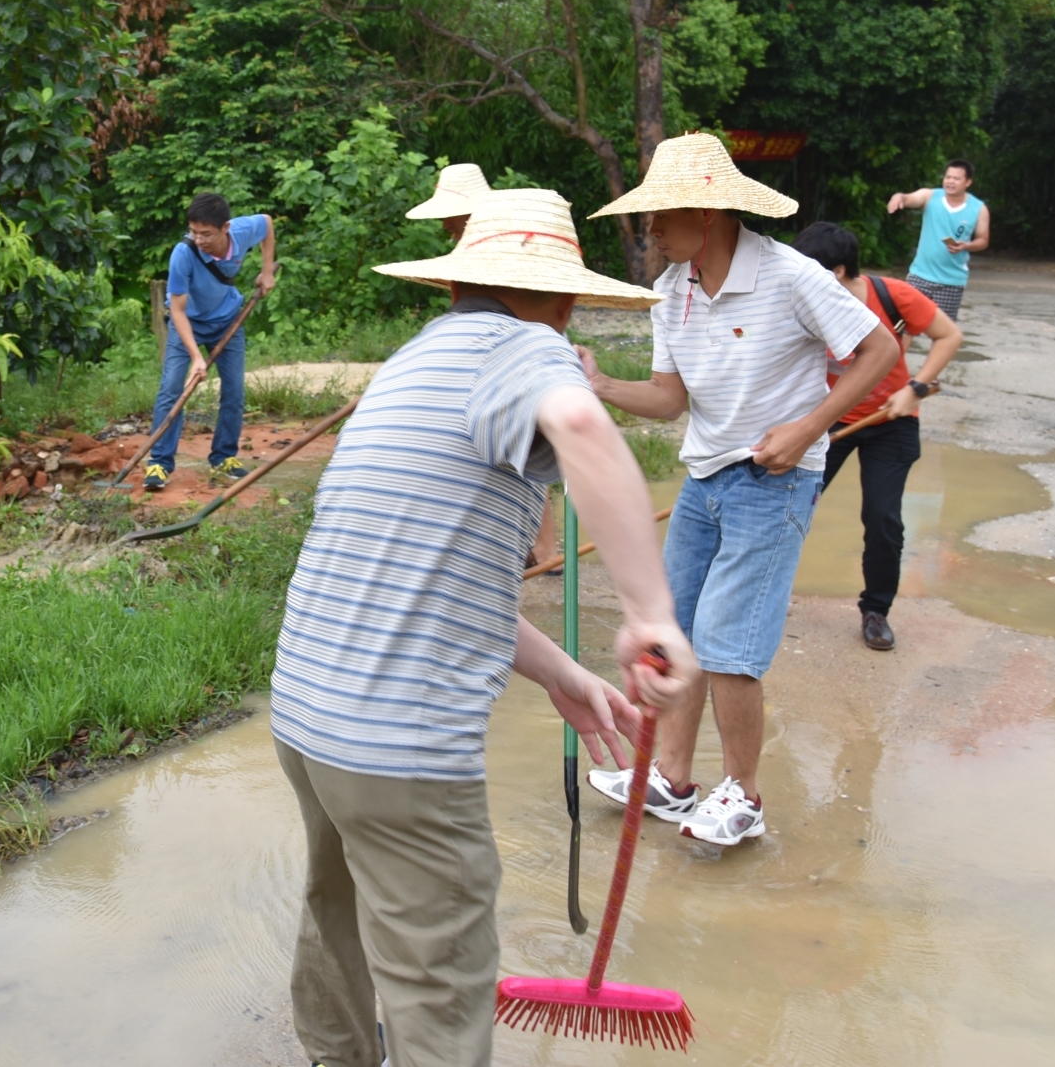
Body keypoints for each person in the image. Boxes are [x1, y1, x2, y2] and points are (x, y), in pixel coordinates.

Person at [270, 188, 699, 1067]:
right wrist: (652, 615)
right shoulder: (528, 350)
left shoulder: (414, 361)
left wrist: (560, 673)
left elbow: (437, 579)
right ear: (566, 299)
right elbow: (581, 420)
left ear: (457, 284)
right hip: (399, 747)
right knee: (440, 977)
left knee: (336, 904)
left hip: (309, 717)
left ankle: (339, 1055)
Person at [579, 133, 896, 847]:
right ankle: (671, 777)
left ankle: (743, 796)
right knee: (677, 631)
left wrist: (809, 426)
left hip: (774, 480)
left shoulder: (789, 275)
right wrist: (597, 386)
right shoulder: (672, 290)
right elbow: (668, 398)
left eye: (663, 216)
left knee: (729, 645)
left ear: (712, 213)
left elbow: (880, 349)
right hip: (706, 476)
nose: (652, 230)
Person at [791, 221, 963, 651]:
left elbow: (949, 335)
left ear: (836, 272)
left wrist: (916, 387)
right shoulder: (798, 302)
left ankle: (876, 611)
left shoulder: (892, 296)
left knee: (883, 519)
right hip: (826, 420)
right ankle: (755, 600)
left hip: (890, 421)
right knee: (784, 508)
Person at [406, 163, 561, 569]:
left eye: (449, 217)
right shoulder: (469, 242)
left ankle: (544, 548)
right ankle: (524, 542)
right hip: (496, 345)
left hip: (521, 343)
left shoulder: (503, 238)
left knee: (523, 445)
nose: (444, 226)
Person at [142, 192, 277, 492]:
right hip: (187, 324)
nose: (199, 239)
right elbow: (176, 311)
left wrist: (266, 271)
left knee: (234, 392)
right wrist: (196, 357)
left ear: (225, 228)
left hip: (228, 321)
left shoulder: (240, 232)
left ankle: (223, 457)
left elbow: (267, 223)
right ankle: (160, 463)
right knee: (172, 390)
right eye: (194, 232)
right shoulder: (183, 254)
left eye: (207, 234)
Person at [887, 159, 988, 319]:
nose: (950, 182)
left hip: (952, 280)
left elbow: (983, 240)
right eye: (948, 177)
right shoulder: (930, 196)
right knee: (905, 325)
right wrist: (899, 198)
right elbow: (909, 198)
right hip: (919, 275)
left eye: (956, 178)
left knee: (943, 332)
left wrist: (966, 246)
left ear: (968, 182)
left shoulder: (979, 208)